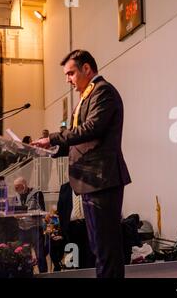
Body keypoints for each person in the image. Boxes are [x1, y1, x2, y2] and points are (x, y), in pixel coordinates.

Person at [32, 50, 131, 278]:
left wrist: (54, 138)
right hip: (90, 180)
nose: (68, 79)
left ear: (87, 68)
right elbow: (80, 140)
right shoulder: (87, 95)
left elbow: (92, 128)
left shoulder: (103, 91)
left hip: (102, 179)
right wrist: (51, 149)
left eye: (71, 73)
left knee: (106, 247)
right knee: (98, 246)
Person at [54, 182, 95, 270]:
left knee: (88, 258)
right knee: (72, 260)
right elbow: (60, 209)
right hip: (71, 228)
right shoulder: (65, 188)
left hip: (88, 225)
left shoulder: (88, 185)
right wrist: (61, 230)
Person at [13, 177, 47, 273]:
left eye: (18, 187)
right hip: (22, 228)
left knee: (40, 254)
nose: (16, 189)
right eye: (15, 187)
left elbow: (41, 210)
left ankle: (43, 274)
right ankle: (27, 273)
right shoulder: (16, 196)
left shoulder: (37, 194)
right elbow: (14, 210)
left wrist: (26, 213)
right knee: (24, 255)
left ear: (24, 185)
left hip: (35, 227)